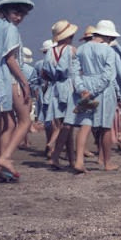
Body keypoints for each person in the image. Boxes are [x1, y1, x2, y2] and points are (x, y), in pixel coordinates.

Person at [0, 0, 34, 181]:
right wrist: (25, 82)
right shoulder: (11, 29)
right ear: (5, 10)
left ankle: (0, 167)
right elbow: (11, 59)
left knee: (8, 124)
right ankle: (4, 158)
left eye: (22, 14)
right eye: (15, 12)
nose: (19, 17)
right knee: (25, 120)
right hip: (10, 78)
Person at [67, 20, 119, 173]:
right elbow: (108, 75)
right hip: (103, 90)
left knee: (85, 125)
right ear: (106, 36)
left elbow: (75, 72)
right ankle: (107, 162)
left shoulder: (81, 49)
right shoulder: (109, 51)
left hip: (84, 84)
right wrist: (93, 91)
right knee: (105, 127)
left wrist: (82, 89)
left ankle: (79, 161)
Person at [43, 20, 78, 169]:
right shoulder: (71, 50)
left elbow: (45, 72)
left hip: (55, 88)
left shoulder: (50, 51)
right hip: (69, 86)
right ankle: (56, 155)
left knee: (64, 123)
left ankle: (71, 159)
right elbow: (73, 70)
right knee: (68, 124)